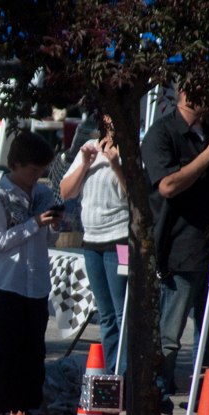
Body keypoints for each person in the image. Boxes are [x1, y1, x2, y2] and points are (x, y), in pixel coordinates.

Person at [141, 87, 209, 409]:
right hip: (180, 249)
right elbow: (167, 186)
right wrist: (208, 156)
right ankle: (159, 394)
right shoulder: (162, 133)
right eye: (205, 90)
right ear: (185, 94)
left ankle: (205, 398)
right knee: (169, 333)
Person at [0, 130, 63, 415]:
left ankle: (30, 405)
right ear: (15, 164)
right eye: (32, 170)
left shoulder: (42, 194)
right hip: (10, 283)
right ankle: (4, 406)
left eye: (41, 171)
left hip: (37, 282)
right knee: (8, 349)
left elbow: (51, 237)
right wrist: (34, 224)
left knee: (34, 348)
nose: (36, 177)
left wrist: (53, 223)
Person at [59, 114, 129, 374]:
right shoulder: (89, 150)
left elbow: (134, 196)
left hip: (119, 240)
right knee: (106, 314)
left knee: (122, 313)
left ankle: (124, 376)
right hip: (92, 241)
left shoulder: (131, 152)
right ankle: (111, 373)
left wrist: (116, 166)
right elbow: (66, 192)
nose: (111, 122)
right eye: (107, 116)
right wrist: (85, 163)